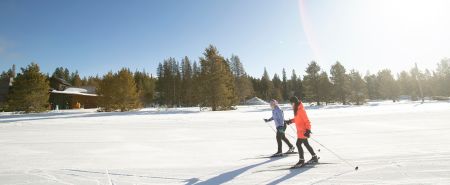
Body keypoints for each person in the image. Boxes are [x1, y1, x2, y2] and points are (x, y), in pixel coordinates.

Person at [285, 96, 318, 167]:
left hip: (303, 131)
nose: (291, 105)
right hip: (300, 131)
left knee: (298, 144)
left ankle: (301, 160)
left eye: (291, 103)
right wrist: (290, 121)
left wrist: (308, 130)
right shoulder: (297, 109)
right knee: (305, 144)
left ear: (294, 102)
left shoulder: (301, 110)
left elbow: (307, 121)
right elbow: (297, 119)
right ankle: (314, 157)